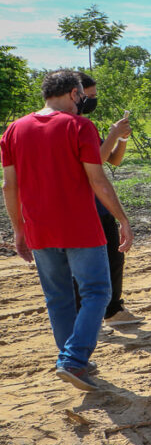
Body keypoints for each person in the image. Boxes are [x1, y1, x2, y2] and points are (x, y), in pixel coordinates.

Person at [1, 70, 133, 390]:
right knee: (98, 292)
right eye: (82, 97)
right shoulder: (80, 126)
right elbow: (98, 179)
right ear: (74, 94)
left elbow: (9, 186)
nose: (84, 102)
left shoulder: (14, 129)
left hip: (39, 228)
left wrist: (19, 230)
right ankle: (74, 360)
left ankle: (73, 360)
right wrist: (122, 219)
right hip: (79, 226)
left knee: (58, 297)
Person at [74, 71, 143, 327]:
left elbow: (113, 159)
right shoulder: (76, 128)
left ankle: (113, 309)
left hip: (100, 205)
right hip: (85, 206)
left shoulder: (86, 126)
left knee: (114, 257)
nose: (92, 101)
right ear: (76, 94)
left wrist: (121, 138)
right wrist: (114, 134)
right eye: (89, 96)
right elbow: (97, 161)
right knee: (85, 265)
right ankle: (88, 315)